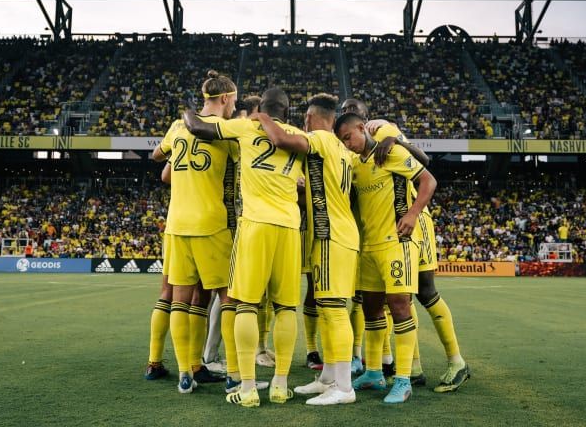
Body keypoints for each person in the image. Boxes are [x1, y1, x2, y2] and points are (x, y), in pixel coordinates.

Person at [184, 87, 304, 407]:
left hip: (255, 225)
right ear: (287, 112)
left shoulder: (246, 126)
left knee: (245, 306)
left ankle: (248, 386)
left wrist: (184, 109)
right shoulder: (299, 135)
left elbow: (198, 127)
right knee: (286, 308)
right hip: (290, 227)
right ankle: (280, 384)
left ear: (260, 109)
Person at [343, 98, 471, 393]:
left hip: (414, 220)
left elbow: (424, 163)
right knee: (393, 299)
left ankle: (455, 361)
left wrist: (394, 139)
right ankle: (411, 368)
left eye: (356, 115)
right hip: (383, 229)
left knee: (421, 292)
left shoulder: (383, 128)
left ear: (365, 120)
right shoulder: (356, 153)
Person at [254, 93, 360, 405]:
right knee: (328, 310)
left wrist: (261, 116)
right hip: (337, 233)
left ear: (312, 119)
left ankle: (344, 388)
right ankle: (328, 377)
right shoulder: (341, 150)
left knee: (334, 310)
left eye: (306, 119)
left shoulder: (322, 139)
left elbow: (281, 139)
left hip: (332, 236)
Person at [334, 111, 435, 404]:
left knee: (400, 305)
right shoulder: (355, 165)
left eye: (348, 137)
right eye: (342, 141)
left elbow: (428, 180)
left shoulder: (388, 153)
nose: (348, 144)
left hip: (397, 241)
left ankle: (403, 379)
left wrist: (413, 213)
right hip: (369, 246)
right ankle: (375, 371)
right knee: (371, 309)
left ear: (361, 129)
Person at [150, 70, 239, 394]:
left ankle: (185, 373)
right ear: (226, 98)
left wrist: (176, 153)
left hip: (176, 225)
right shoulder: (225, 129)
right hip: (210, 225)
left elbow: (157, 156)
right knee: (228, 297)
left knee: (180, 301)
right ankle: (233, 373)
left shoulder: (177, 128)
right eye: (234, 101)